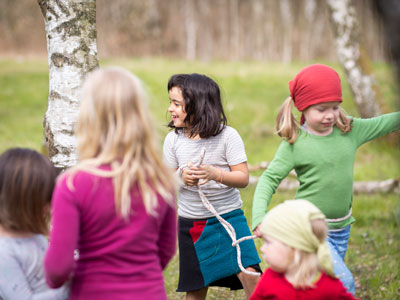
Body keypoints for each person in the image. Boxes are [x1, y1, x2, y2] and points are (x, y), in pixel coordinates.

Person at [252, 64, 400, 295]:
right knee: (343, 283)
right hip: (310, 228)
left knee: (319, 284)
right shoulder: (295, 143)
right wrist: (259, 217)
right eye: (322, 109)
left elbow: (384, 124)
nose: (330, 114)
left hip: (342, 228)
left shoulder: (349, 130)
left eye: (335, 107)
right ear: (303, 107)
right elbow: (269, 179)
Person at [44, 67, 178, 300]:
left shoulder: (73, 184)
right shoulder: (161, 180)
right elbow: (165, 251)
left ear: (88, 117)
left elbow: (58, 269)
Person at [163, 73, 261, 300]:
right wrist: (181, 177)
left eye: (176, 103)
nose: (170, 108)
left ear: (198, 106)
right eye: (171, 102)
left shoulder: (228, 136)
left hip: (229, 219)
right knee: (196, 288)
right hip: (192, 224)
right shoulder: (173, 140)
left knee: (250, 273)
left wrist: (216, 174)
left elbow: (243, 177)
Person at [250, 199, 359, 300]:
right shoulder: (269, 278)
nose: (262, 249)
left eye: (268, 242)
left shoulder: (329, 288)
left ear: (294, 247)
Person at [0, 148, 69, 300]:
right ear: (22, 203)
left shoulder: (33, 235)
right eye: (45, 200)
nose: (50, 207)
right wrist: (69, 289)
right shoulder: (4, 252)